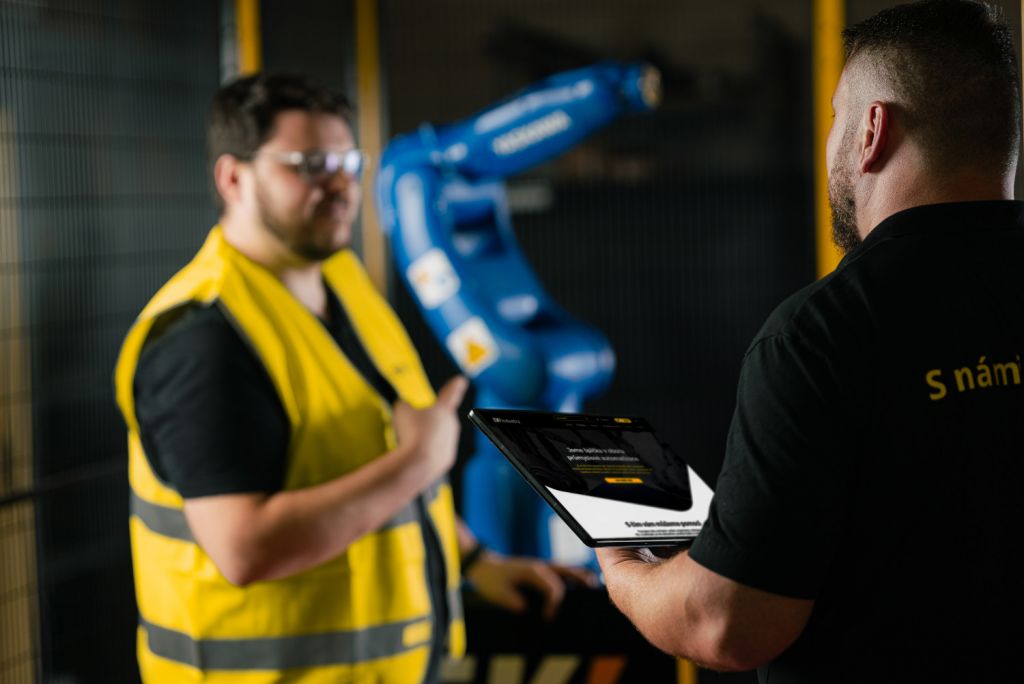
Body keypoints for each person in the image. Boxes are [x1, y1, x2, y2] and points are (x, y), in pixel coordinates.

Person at [596, 1, 1024, 682]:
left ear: (872, 131)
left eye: (834, 118)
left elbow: (727, 624)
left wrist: (625, 570)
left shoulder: (823, 333)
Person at [114, 73, 589, 683]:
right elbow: (244, 548)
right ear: (233, 179)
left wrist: (475, 562)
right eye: (309, 164)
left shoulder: (344, 284)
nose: (340, 183)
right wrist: (419, 462)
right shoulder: (203, 338)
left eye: (348, 162)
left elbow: (374, 464)